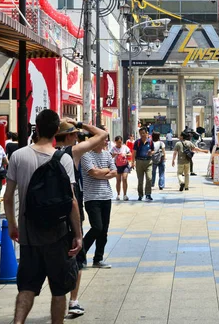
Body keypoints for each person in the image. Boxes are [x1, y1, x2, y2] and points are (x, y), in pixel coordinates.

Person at [3, 109, 82, 324]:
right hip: (58, 234)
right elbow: (72, 201)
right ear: (57, 130)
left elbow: (8, 198)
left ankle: (18, 322)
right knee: (59, 290)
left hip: (29, 234)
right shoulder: (63, 159)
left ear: (36, 128)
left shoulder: (18, 156)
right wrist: (78, 234)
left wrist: (12, 225)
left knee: (27, 286)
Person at [54, 119, 108, 317]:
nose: (77, 137)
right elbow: (102, 134)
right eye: (75, 134)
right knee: (76, 256)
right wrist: (81, 123)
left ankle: (56, 299)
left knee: (50, 258)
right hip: (69, 213)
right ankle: (73, 301)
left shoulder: (41, 152)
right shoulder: (72, 152)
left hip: (44, 216)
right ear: (69, 136)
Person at [81, 133, 116, 269]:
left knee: (104, 230)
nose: (106, 141)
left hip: (106, 196)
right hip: (92, 197)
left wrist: (101, 172)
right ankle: (80, 254)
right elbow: (92, 173)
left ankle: (98, 259)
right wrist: (105, 171)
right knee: (97, 227)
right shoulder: (86, 156)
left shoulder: (107, 154)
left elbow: (114, 172)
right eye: (104, 139)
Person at [132, 128, 155, 201]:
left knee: (149, 178)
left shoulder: (150, 142)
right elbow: (134, 152)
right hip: (139, 162)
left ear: (146, 133)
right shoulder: (137, 142)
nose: (142, 135)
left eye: (143, 133)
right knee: (140, 180)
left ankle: (148, 194)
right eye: (140, 133)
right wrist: (132, 162)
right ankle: (140, 195)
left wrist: (151, 152)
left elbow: (153, 150)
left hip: (148, 162)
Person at [110, 136, 132, 201]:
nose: (119, 144)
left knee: (124, 178)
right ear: (115, 142)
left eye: (120, 142)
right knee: (118, 180)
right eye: (118, 142)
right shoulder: (113, 148)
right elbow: (109, 156)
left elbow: (130, 153)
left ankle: (125, 194)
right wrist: (114, 155)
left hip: (125, 165)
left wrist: (125, 154)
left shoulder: (125, 147)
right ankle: (118, 194)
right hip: (117, 165)